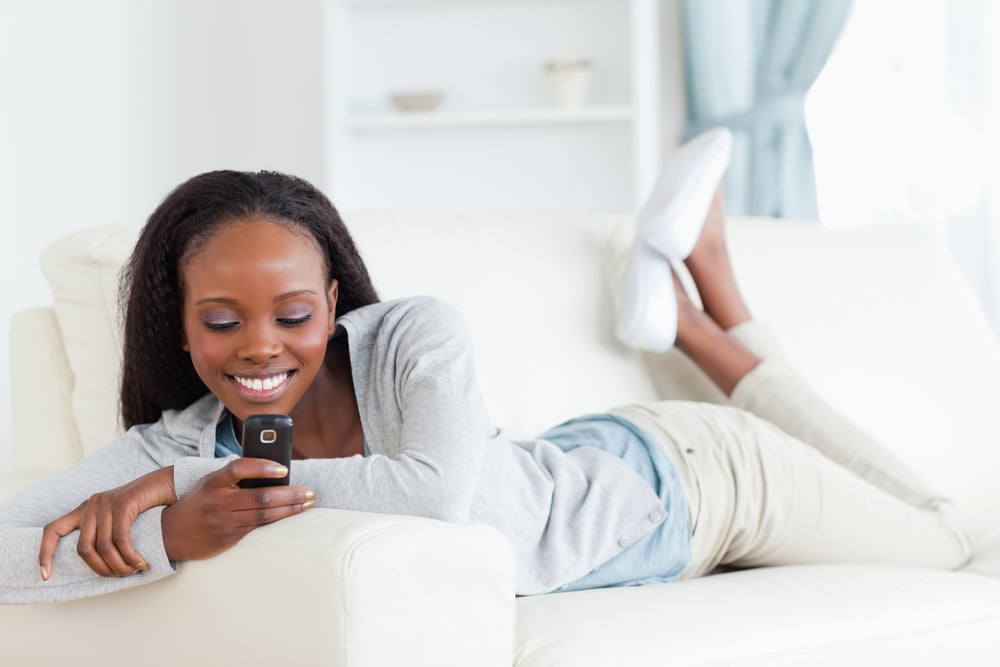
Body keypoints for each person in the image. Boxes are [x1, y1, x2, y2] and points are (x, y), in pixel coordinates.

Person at [0, 130, 971, 604]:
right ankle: (690, 309)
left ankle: (708, 315)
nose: (260, 346)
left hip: (700, 482)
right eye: (221, 320)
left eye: (293, 314)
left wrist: (182, 488)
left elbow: (432, 496)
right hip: (587, 461)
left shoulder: (416, 333)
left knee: (953, 541)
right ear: (179, 327)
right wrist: (173, 531)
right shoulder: (174, 442)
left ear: (334, 302)